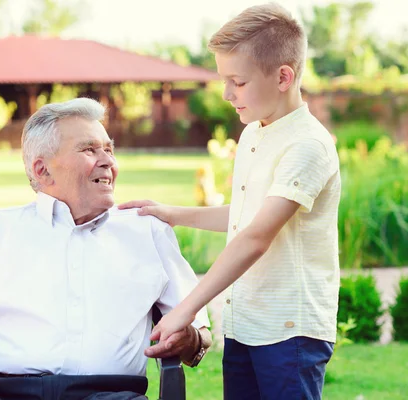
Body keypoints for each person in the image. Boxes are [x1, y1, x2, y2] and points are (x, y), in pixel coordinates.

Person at [0, 98, 212, 400]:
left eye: (108, 149)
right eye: (89, 149)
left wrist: (190, 340)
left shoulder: (148, 231)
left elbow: (199, 337)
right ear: (42, 170)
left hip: (111, 394)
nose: (108, 161)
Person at [120, 4, 341, 399]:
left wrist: (186, 309)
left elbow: (256, 236)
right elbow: (243, 216)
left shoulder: (307, 145)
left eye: (236, 82)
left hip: (290, 331)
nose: (226, 94)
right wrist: (173, 214)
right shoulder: (255, 134)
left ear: (283, 77)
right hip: (246, 325)